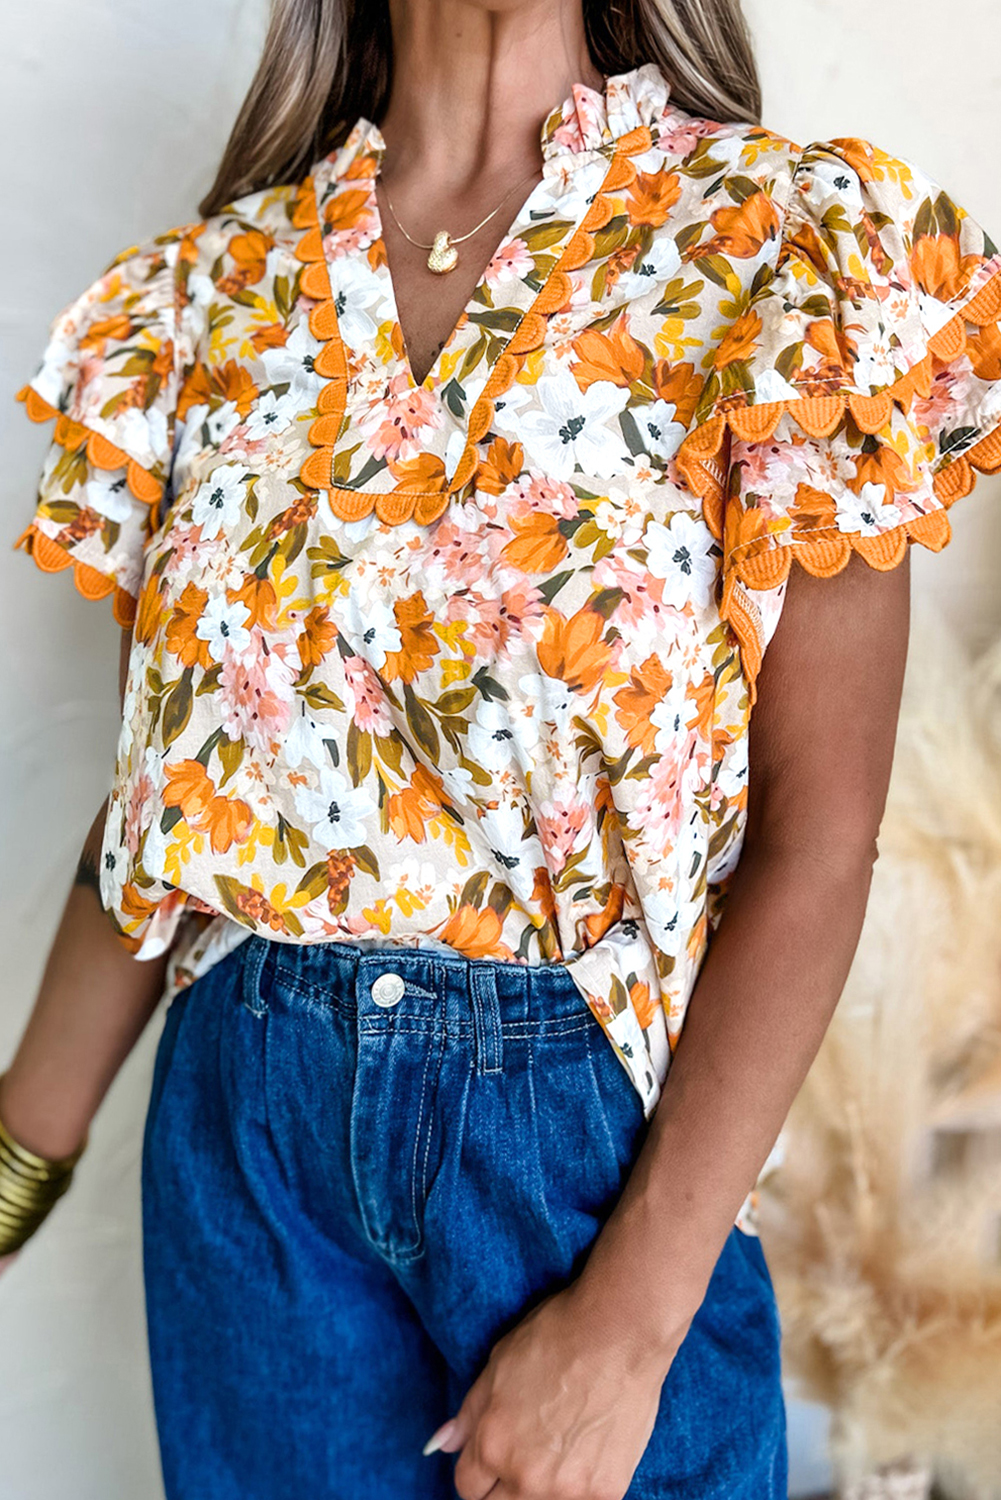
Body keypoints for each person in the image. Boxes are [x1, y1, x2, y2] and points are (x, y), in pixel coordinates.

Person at [3, 0, 1000, 1496]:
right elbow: (162, 820)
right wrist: (15, 1165)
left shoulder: (782, 251)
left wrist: (632, 1321)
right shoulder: (204, 300)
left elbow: (819, 840)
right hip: (244, 1153)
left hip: (585, 1167)